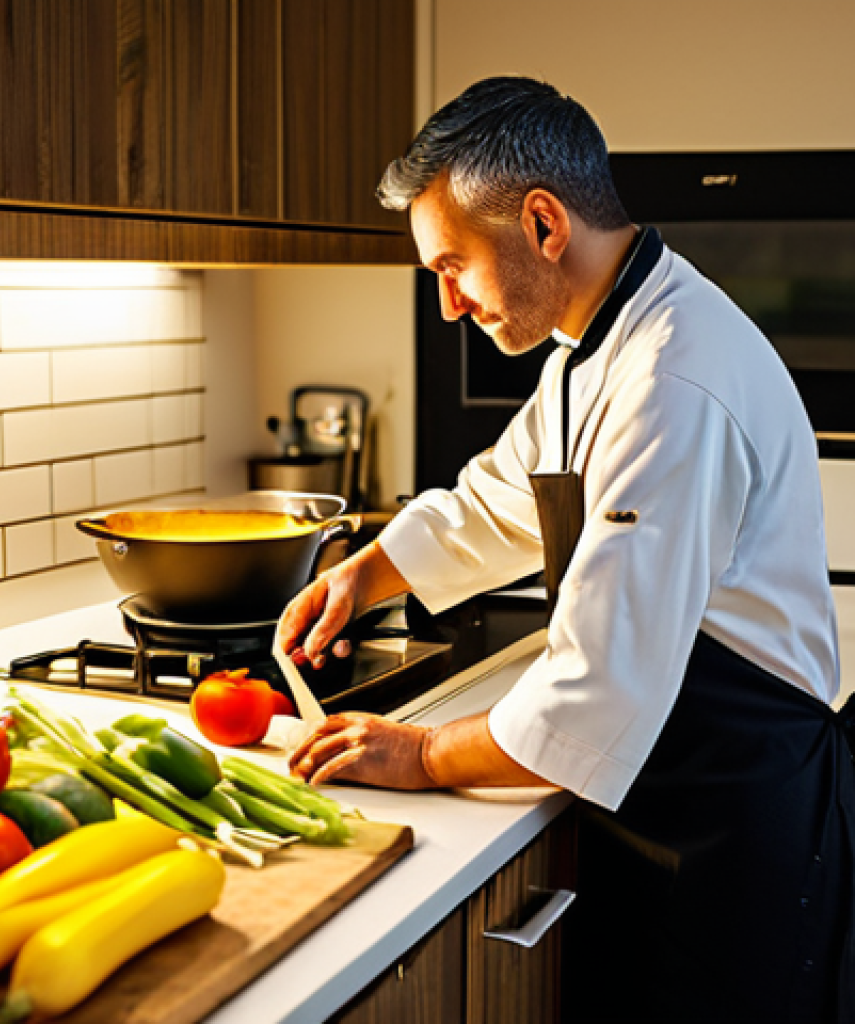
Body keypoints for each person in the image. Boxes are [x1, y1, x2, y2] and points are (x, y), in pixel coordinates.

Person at [277, 76, 855, 1024]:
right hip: (672, 782)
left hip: (737, 816)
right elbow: (499, 499)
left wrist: (422, 755)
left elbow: (598, 691)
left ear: (544, 224)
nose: (449, 305)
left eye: (452, 266)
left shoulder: (671, 379)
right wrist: (362, 574)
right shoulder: (595, 347)